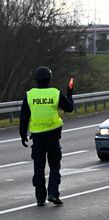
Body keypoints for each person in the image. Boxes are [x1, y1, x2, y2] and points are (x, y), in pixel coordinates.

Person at [19, 66, 74, 206]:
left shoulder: (30, 95)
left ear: (36, 80)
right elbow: (69, 108)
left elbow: (24, 117)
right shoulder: (55, 93)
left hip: (37, 137)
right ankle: (53, 193)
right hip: (53, 135)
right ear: (49, 79)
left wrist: (22, 135)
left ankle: (40, 198)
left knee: (38, 168)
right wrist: (70, 93)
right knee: (54, 165)